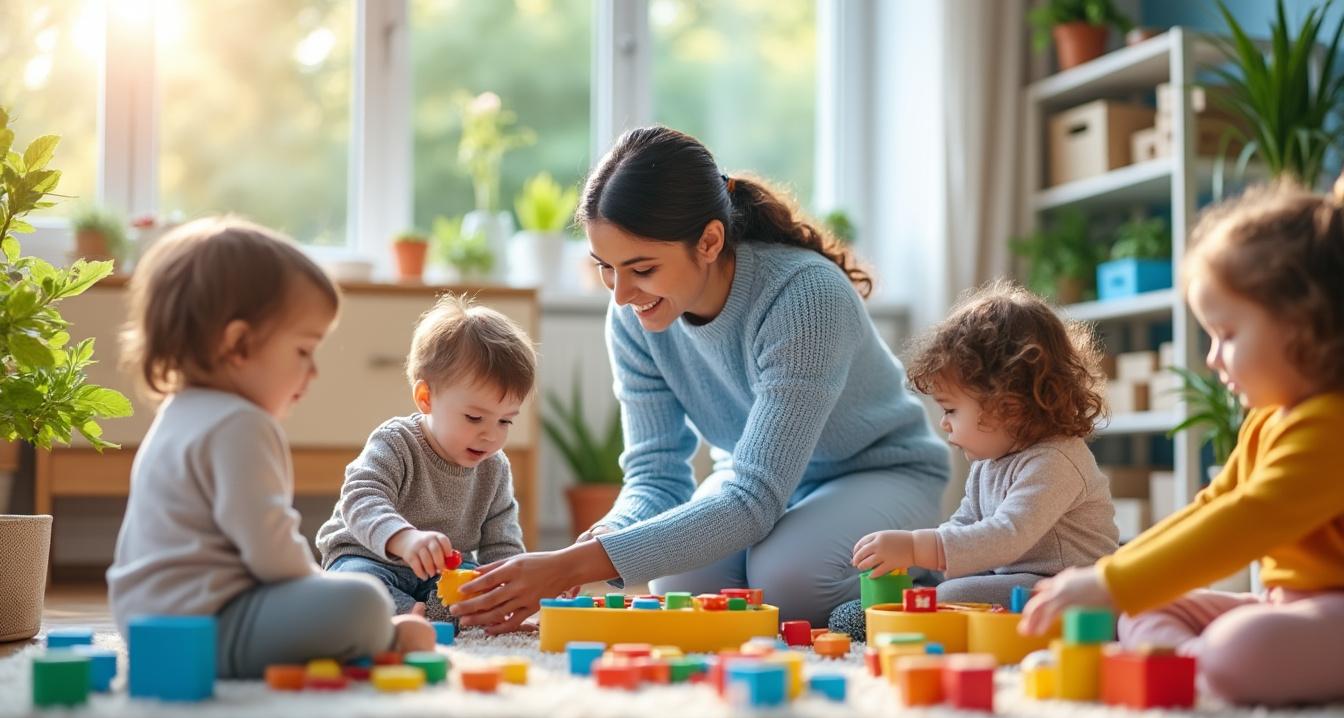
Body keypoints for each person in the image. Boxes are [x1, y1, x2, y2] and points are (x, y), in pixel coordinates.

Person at [451, 125, 948, 633]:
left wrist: (571, 566)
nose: (621, 294)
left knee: (787, 582)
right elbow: (657, 473)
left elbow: (753, 498)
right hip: (759, 482)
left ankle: (928, 571)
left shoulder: (806, 298)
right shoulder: (632, 317)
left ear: (709, 241)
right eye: (606, 267)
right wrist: (602, 538)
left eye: (641, 268)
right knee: (681, 585)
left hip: (877, 473)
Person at [1021, 178, 1344, 706]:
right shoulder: (1268, 418)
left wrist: (1111, 584)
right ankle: (1195, 669)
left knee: (1240, 646)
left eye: (1228, 335)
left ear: (1305, 325)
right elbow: (1214, 502)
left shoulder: (1332, 426)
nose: (1213, 358)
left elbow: (1246, 518)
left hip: (1328, 611)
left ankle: (1208, 668)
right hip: (1284, 603)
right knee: (1146, 608)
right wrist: (1112, 578)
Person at [107, 216, 434, 678]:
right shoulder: (242, 424)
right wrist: (332, 594)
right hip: (212, 626)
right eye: (303, 351)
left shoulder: (178, 412)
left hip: (144, 624)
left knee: (351, 595)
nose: (313, 371)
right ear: (239, 344)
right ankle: (391, 636)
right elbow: (273, 554)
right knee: (363, 598)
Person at [827, 281, 1117, 640]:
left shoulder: (1056, 460)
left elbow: (1008, 535)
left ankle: (921, 611)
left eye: (951, 409)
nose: (944, 422)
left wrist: (918, 546)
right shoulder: (989, 462)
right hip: (1011, 576)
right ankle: (907, 608)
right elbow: (966, 521)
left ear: (1007, 405)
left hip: (1067, 584)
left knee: (950, 592)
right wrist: (918, 554)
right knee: (944, 579)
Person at [316, 294, 533, 622]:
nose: (491, 435)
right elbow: (360, 499)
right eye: (474, 418)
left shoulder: (495, 467)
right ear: (426, 398)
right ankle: (406, 612)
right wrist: (405, 539)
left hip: (440, 576)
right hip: (369, 558)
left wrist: (513, 587)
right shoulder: (396, 442)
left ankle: (422, 613)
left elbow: (502, 543)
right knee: (353, 588)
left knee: (476, 588)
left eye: (505, 421)